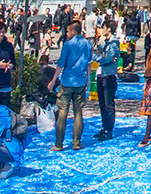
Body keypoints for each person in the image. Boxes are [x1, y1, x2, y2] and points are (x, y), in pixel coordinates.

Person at [48, 21, 91, 151]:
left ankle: (59, 143)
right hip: (81, 81)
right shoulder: (87, 43)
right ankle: (77, 142)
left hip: (67, 82)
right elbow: (89, 63)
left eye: (67, 31)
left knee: (62, 113)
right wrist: (88, 80)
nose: (66, 34)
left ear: (73, 31)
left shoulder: (68, 45)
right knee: (78, 113)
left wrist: (53, 80)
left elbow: (61, 64)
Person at [92, 25, 120, 141]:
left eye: (103, 28)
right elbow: (96, 53)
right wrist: (100, 55)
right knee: (102, 103)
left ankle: (109, 129)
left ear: (109, 29)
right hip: (100, 74)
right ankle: (104, 127)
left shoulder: (114, 43)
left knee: (109, 104)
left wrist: (100, 57)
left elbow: (109, 58)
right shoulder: (104, 42)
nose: (102, 30)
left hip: (109, 75)